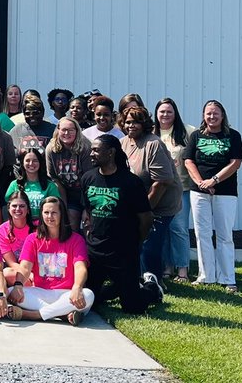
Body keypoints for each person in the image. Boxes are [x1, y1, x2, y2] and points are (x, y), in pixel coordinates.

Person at [81, 135, 161, 313]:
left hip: (123, 253)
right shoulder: (88, 178)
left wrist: (136, 241)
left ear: (110, 153)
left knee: (132, 307)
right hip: (95, 252)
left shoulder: (131, 182)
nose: (91, 154)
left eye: (96, 150)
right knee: (89, 301)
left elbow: (146, 218)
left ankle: (151, 290)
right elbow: (89, 210)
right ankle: (120, 288)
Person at [184, 100, 242, 292]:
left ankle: (228, 278)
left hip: (225, 192)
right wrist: (202, 182)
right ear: (204, 115)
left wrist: (214, 180)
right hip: (199, 192)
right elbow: (188, 161)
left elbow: (236, 162)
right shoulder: (196, 136)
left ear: (222, 115)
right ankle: (206, 276)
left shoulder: (233, 136)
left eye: (215, 113)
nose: (212, 117)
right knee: (202, 234)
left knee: (224, 235)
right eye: (208, 113)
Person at [8, 197, 95, 325]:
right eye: (46, 212)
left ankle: (35, 315)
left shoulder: (76, 239)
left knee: (88, 295)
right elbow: (25, 268)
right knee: (10, 292)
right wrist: (18, 285)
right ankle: (62, 315)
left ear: (62, 214)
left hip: (67, 294)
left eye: (54, 212)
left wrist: (77, 287)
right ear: (41, 214)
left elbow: (80, 268)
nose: (50, 216)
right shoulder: (33, 239)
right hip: (41, 292)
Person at [120, 106, 182, 278]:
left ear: (144, 124)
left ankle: (154, 282)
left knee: (149, 243)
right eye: (128, 122)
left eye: (136, 122)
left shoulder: (153, 144)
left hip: (161, 203)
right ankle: (138, 278)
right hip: (138, 203)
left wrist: (145, 212)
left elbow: (162, 182)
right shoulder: (123, 142)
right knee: (135, 241)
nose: (131, 126)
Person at [154, 98, 195, 283]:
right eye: (162, 111)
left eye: (169, 111)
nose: (165, 115)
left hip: (181, 189)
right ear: (156, 113)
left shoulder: (187, 132)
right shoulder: (151, 132)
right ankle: (166, 267)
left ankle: (182, 269)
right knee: (162, 230)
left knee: (178, 228)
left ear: (175, 113)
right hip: (158, 189)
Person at [46, 118, 92, 229]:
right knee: (70, 223)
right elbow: (55, 179)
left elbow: (90, 180)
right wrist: (63, 207)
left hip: (86, 192)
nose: (67, 133)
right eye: (64, 130)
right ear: (58, 130)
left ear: (77, 131)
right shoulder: (51, 149)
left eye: (71, 130)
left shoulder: (86, 147)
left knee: (88, 224)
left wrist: (87, 208)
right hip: (67, 193)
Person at [6, 148, 63, 223]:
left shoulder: (50, 186)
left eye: (35, 160)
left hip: (43, 225)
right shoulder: (14, 185)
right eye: (27, 160)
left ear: (40, 163)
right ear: (22, 163)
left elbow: (56, 208)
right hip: (21, 224)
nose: (31, 163)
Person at [0, 191, 35, 287]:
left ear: (28, 209)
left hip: (38, 270)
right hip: (19, 272)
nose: (18, 209)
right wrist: (30, 275)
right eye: (14, 206)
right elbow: (12, 263)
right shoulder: (0, 231)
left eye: (22, 206)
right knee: (7, 273)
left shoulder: (38, 228)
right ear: (8, 209)